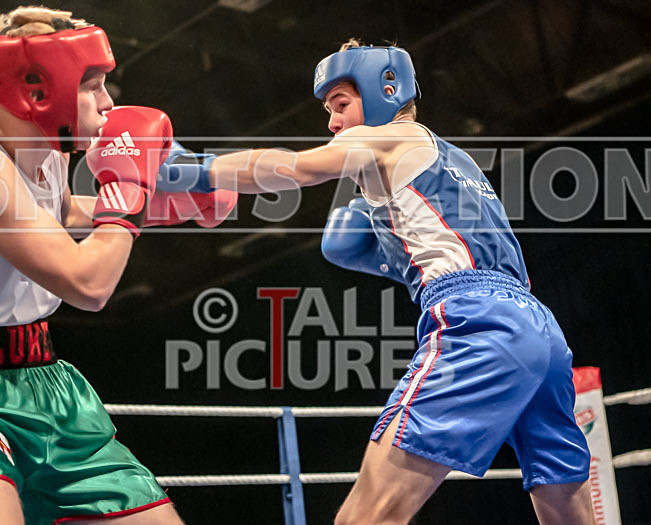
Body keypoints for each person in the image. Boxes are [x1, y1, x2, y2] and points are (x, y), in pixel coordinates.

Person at [158, 40, 595, 524]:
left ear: (384, 90)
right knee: (564, 504)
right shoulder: (454, 159)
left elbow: (298, 169)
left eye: (340, 104)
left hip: (477, 323)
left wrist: (191, 171)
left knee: (363, 519)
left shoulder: (388, 138)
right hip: (539, 330)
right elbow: (442, 250)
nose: (332, 123)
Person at [0, 6, 234, 524]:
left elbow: (60, 216)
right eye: (93, 86)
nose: (109, 104)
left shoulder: (49, 153)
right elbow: (88, 282)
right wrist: (129, 188)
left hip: (50, 383)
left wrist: (167, 210)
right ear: (39, 89)